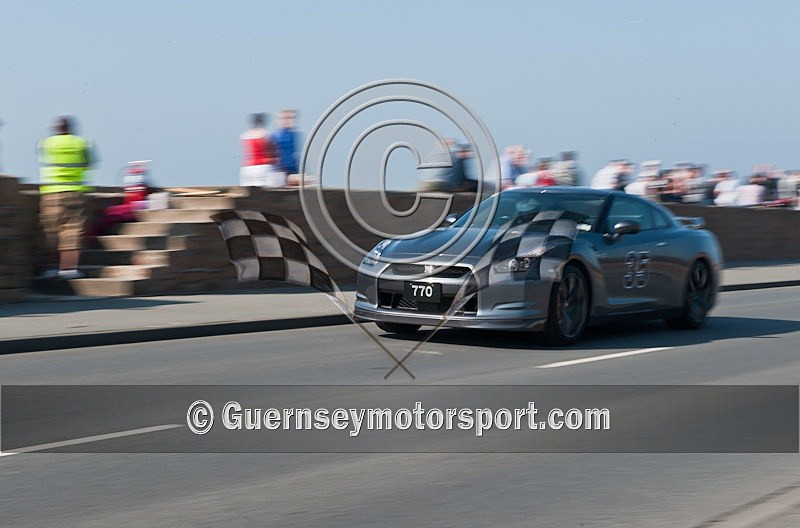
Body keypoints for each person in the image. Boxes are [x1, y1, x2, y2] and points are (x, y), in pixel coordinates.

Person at [37, 116, 95, 279]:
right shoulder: (82, 143)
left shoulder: (45, 143)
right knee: (73, 231)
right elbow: (88, 163)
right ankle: (68, 269)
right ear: (70, 127)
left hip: (50, 192)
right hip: (75, 192)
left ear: (56, 128)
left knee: (50, 232)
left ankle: (50, 268)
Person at [239, 113, 283, 187]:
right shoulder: (265, 134)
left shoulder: (244, 135)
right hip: (263, 168)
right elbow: (271, 152)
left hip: (247, 169)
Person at [272, 109, 299, 177]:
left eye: (292, 118)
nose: (290, 121)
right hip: (280, 171)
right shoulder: (277, 136)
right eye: (287, 118)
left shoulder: (293, 135)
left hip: (291, 170)